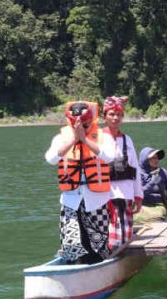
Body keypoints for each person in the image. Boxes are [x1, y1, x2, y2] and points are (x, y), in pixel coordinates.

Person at [45, 101, 117, 264]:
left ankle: (99, 266)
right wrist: (72, 141)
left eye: (84, 125)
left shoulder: (103, 137)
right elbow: (50, 159)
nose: (79, 127)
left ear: (90, 121)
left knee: (99, 244)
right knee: (72, 243)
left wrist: (84, 140)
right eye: (75, 124)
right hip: (71, 199)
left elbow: (109, 156)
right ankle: (73, 267)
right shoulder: (60, 138)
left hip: (97, 199)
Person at [101, 95, 143, 250]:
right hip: (105, 194)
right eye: (111, 114)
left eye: (119, 115)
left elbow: (136, 169)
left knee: (125, 233)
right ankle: (108, 256)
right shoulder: (97, 138)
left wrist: (138, 195)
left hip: (126, 194)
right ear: (104, 116)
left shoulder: (127, 140)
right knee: (110, 233)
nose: (115, 118)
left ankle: (122, 255)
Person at [136, 147, 167, 224]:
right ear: (145, 160)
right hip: (141, 205)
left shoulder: (162, 172)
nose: (156, 160)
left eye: (157, 158)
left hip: (158, 205)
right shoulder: (137, 174)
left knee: (157, 217)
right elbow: (138, 194)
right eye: (153, 158)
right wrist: (152, 183)